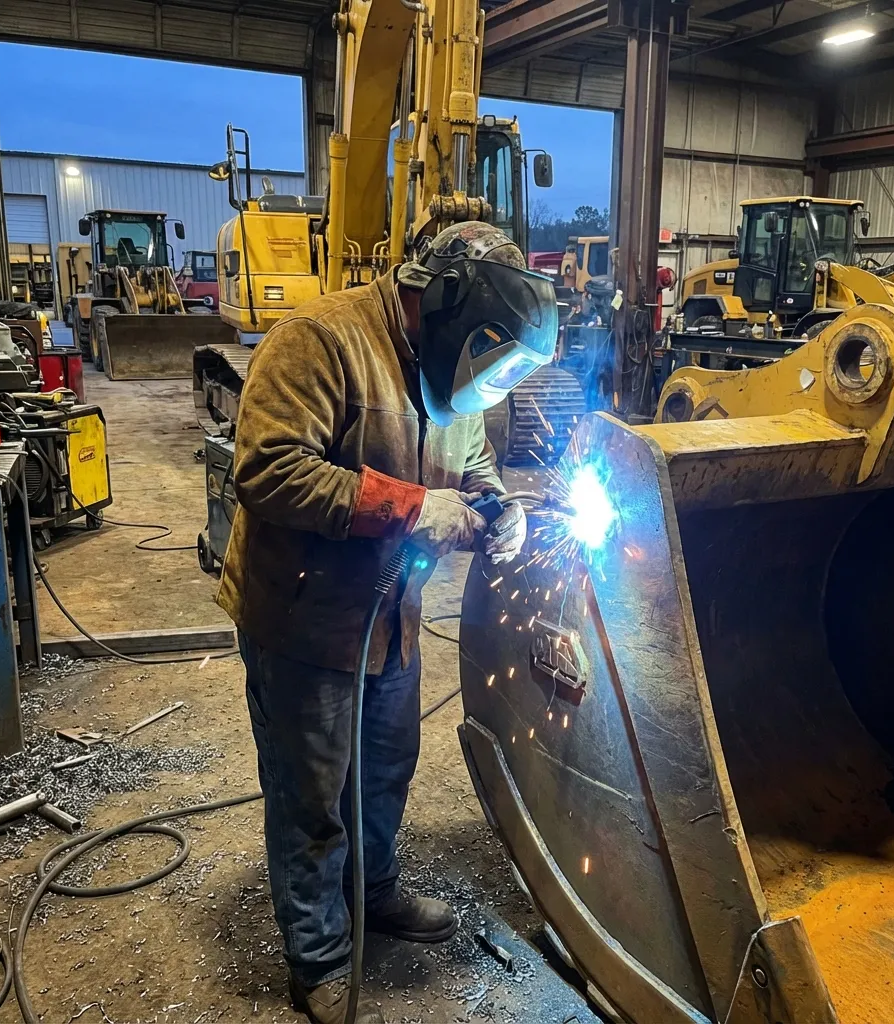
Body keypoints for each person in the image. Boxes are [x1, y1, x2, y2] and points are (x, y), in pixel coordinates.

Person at [216, 221, 558, 1024]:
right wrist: (409, 508)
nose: (485, 374)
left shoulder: (454, 371)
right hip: (306, 620)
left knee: (384, 769)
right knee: (312, 794)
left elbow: (471, 466)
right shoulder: (318, 342)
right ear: (441, 303)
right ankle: (321, 958)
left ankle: (375, 892)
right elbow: (265, 470)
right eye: (485, 348)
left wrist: (495, 506)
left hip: (391, 617)